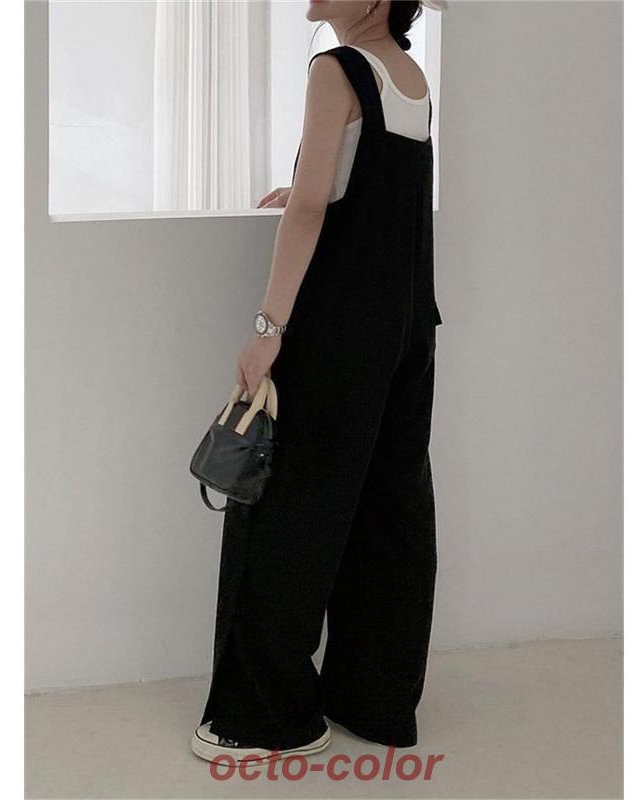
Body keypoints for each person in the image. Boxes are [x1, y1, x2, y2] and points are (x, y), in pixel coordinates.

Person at [192, 0, 445, 765]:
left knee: (287, 512)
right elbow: (351, 189)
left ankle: (265, 718)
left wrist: (267, 328)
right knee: (387, 514)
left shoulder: (337, 69)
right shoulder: (408, 75)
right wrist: (303, 181)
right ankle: (374, 699)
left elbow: (310, 209)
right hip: (407, 330)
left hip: (337, 333)